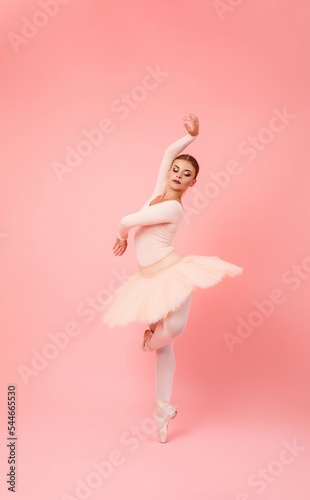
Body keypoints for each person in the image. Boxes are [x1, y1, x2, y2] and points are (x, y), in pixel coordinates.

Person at [102, 114, 243, 443]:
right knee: (169, 347)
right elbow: (168, 154)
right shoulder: (156, 194)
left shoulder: (173, 209)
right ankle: (163, 407)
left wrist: (123, 235)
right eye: (177, 170)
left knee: (173, 331)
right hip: (148, 278)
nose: (179, 175)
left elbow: (126, 220)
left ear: (193, 183)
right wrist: (190, 137)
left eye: (187, 174)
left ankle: (150, 340)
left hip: (171, 273)